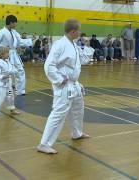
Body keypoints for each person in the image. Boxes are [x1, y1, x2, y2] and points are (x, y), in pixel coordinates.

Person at [37, 19, 94, 154]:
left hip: (74, 84)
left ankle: (77, 133)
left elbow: (84, 60)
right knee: (58, 114)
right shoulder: (60, 45)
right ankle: (44, 144)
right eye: (79, 30)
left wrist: (87, 44)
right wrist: (59, 79)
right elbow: (48, 65)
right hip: (64, 86)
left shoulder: (73, 44)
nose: (80, 33)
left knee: (78, 109)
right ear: (73, 31)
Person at [0, 15, 32, 96]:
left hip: (14, 54)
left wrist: (30, 41)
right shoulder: (2, 31)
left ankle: (20, 90)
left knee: (20, 71)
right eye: (15, 23)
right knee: (6, 73)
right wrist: (2, 48)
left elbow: (20, 41)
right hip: (5, 54)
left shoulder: (14, 32)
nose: (16, 25)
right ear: (11, 23)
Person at [0, 46, 20, 119]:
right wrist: (3, 76)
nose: (8, 54)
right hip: (1, 86)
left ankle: (11, 108)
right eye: (7, 53)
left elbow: (13, 70)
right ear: (2, 54)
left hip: (8, 86)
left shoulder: (8, 62)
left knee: (10, 97)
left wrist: (14, 71)